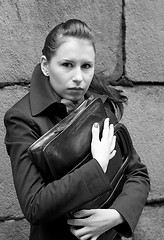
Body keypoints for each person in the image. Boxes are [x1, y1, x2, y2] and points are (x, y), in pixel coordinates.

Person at [4, 19, 150, 240]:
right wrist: (97, 166)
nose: (79, 78)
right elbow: (34, 205)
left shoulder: (97, 104)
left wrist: (116, 215)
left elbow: (137, 172)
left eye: (86, 66)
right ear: (45, 65)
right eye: (67, 65)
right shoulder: (23, 118)